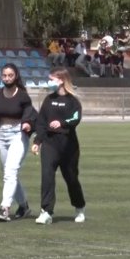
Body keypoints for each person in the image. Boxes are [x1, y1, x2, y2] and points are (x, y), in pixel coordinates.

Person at [31, 67, 87, 225]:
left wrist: (61, 123)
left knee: (71, 178)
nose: (49, 82)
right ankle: (46, 211)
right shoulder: (48, 100)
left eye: (52, 79)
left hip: (68, 145)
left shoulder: (73, 101)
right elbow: (41, 122)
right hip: (50, 144)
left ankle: (79, 207)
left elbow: (75, 118)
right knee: (47, 176)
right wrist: (37, 141)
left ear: (61, 80)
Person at [0, 63, 37, 222]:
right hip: (1, 135)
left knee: (10, 171)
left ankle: (4, 208)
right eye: (4, 75)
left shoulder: (23, 96)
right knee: (8, 173)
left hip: (17, 135)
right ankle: (24, 206)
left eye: (10, 75)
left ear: (16, 76)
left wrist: (27, 124)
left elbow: (29, 113)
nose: (7, 78)